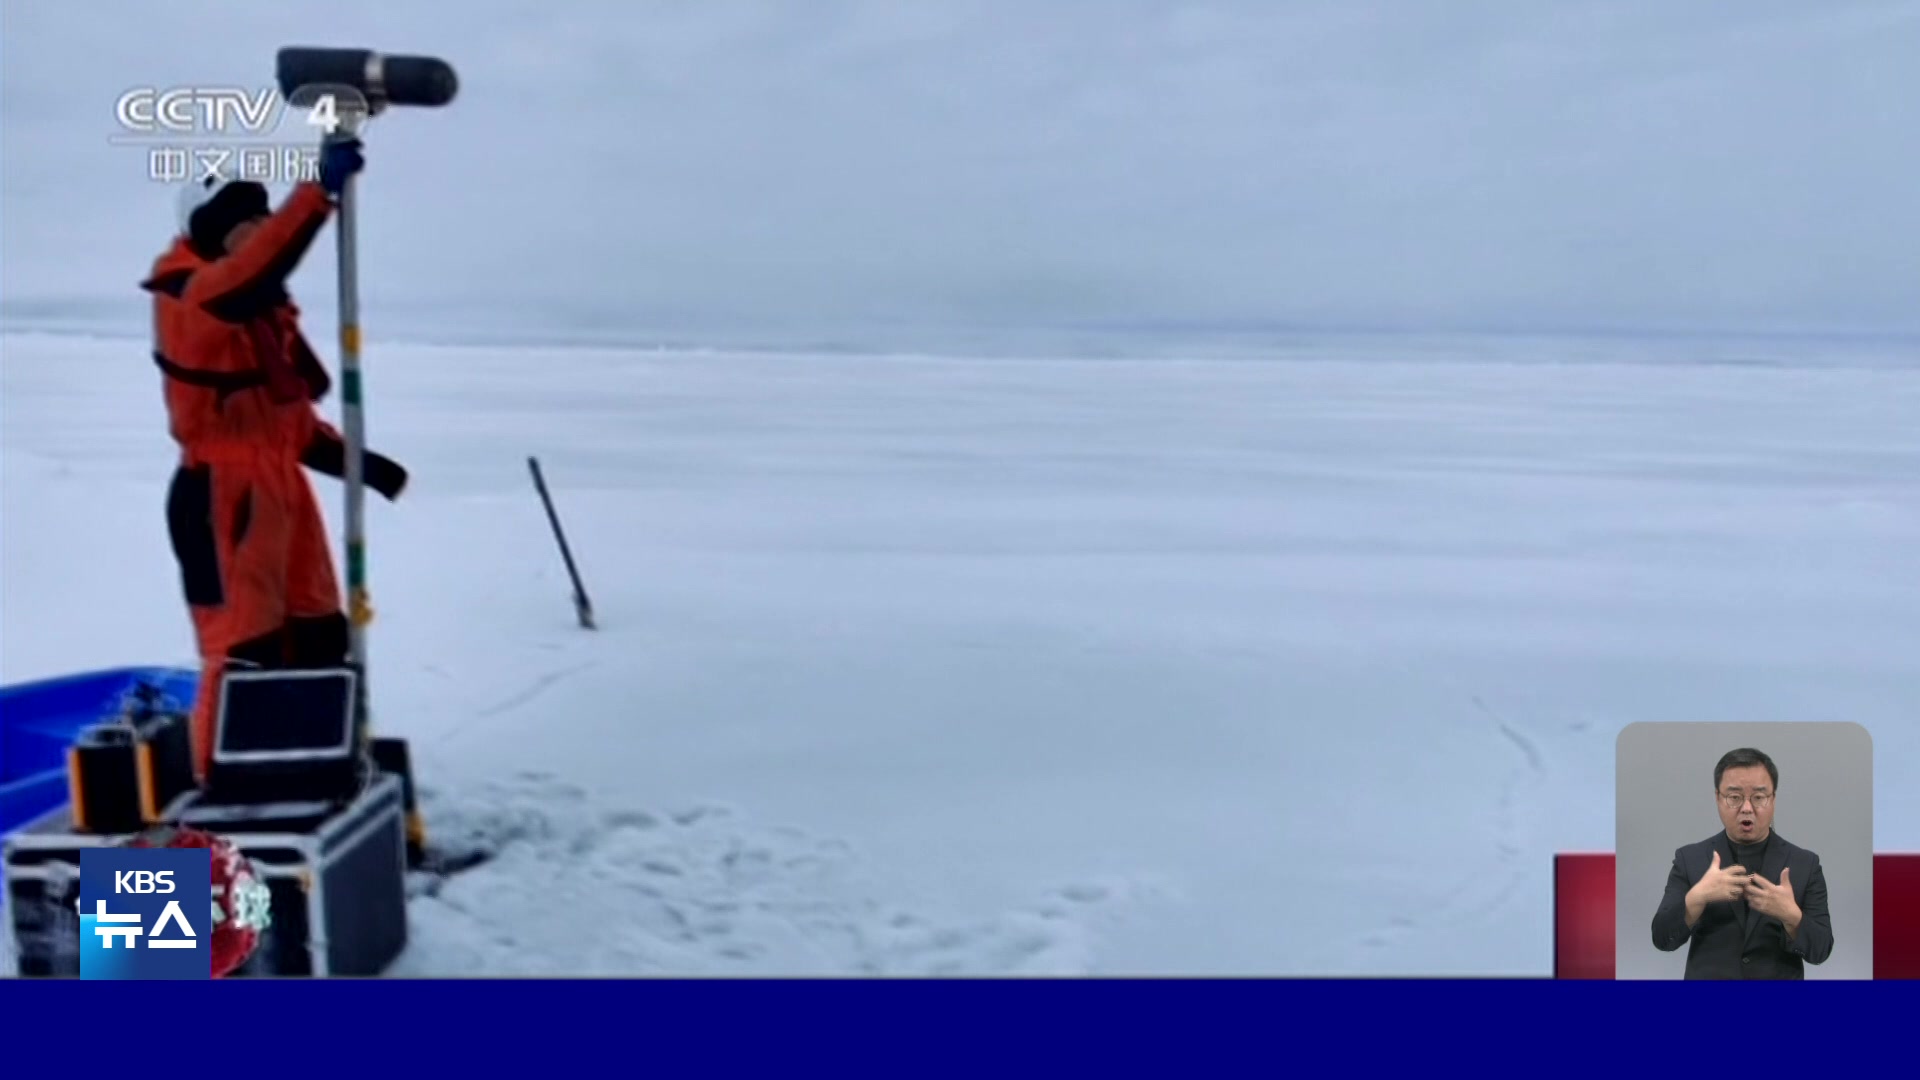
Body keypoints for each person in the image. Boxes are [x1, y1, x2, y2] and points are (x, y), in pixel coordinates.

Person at [140, 139, 409, 781]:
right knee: (242, 651)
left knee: (317, 635)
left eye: (261, 216)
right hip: (220, 501)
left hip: (281, 496)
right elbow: (252, 273)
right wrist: (317, 194)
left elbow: (287, 425)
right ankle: (219, 788)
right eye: (242, 219)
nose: (257, 229)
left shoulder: (261, 316)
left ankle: (308, 762)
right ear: (209, 229)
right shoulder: (191, 297)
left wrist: (363, 466)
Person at [1650, 747, 1834, 978]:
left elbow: (1821, 951)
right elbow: (1662, 939)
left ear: (1773, 799)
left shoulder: (1805, 864)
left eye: (1759, 797)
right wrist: (1697, 898)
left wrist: (1791, 917)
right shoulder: (1690, 859)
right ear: (1717, 798)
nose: (1747, 808)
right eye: (1734, 797)